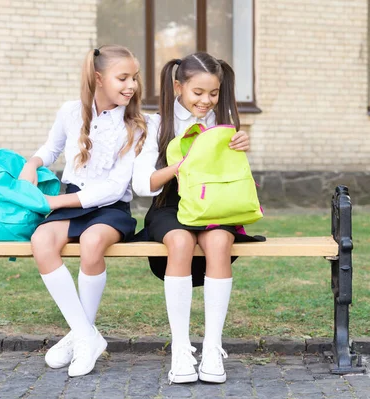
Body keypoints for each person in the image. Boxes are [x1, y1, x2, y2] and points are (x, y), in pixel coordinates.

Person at [133, 52, 265, 385]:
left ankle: (211, 345)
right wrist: (180, 165)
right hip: (168, 206)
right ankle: (180, 347)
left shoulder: (221, 125)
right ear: (178, 86)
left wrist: (240, 145)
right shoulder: (154, 123)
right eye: (198, 93)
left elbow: (230, 175)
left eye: (214, 93)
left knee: (220, 241)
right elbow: (142, 184)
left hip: (213, 208)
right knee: (179, 241)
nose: (206, 101)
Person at [19, 45, 147, 377]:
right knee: (42, 239)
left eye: (134, 77)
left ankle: (81, 336)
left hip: (111, 209)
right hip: (73, 201)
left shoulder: (136, 125)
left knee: (92, 242)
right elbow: (52, 148)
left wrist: (56, 202)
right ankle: (85, 335)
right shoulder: (70, 111)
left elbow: (115, 188)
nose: (131, 85)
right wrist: (32, 164)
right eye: (123, 78)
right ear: (98, 78)